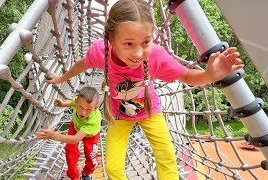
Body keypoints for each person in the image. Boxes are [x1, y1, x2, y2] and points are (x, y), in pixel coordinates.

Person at [45, 0, 244, 179]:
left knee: (166, 158)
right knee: (113, 168)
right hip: (119, 116)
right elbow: (83, 64)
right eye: (128, 44)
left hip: (150, 111)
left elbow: (185, 75)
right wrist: (61, 78)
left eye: (145, 42)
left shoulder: (155, 56)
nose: (138, 53)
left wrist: (209, 76)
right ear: (111, 41)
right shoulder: (100, 51)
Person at [36, 86, 101, 180]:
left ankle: (87, 172)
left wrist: (53, 135)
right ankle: (73, 176)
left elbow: (75, 139)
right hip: (75, 126)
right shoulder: (78, 101)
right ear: (78, 103)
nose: (83, 112)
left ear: (95, 108)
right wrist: (63, 104)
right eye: (80, 107)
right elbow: (73, 101)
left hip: (90, 135)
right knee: (70, 151)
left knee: (91, 159)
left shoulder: (93, 120)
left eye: (88, 109)